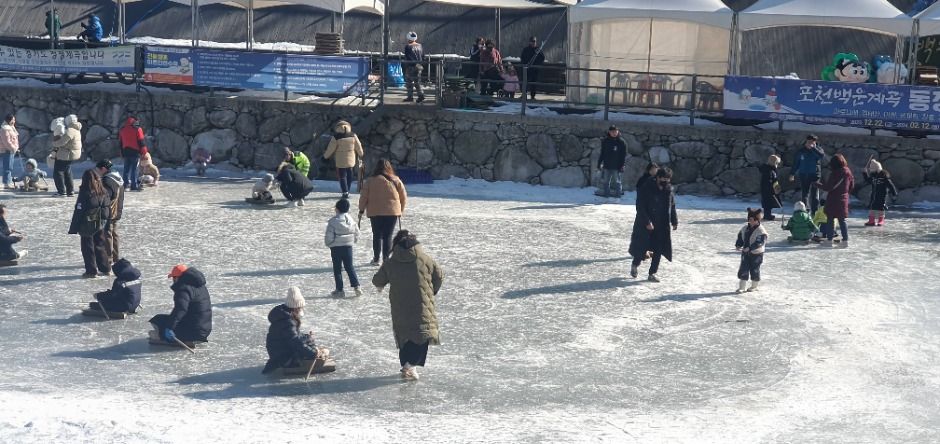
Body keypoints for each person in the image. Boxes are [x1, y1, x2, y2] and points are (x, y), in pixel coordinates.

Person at [372, 230, 443, 381]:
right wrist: (432, 291)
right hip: (422, 305)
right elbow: (439, 276)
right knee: (422, 335)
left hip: (400, 306)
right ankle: (410, 365)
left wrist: (381, 285)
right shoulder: (425, 259)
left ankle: (407, 366)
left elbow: (377, 280)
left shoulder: (391, 262)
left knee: (405, 336)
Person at [262, 287, 327, 374]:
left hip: (280, 351)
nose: (302, 309)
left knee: (309, 342)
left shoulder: (285, 315)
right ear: (296, 307)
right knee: (308, 349)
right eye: (301, 307)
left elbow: (294, 336)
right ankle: (291, 363)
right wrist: (313, 353)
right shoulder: (287, 321)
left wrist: (307, 337)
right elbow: (295, 342)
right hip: (283, 357)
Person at [628, 168, 678, 282]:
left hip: (661, 225)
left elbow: (672, 206)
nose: (666, 182)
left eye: (668, 179)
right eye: (664, 179)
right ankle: (635, 265)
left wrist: (674, 221)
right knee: (642, 247)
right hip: (646, 224)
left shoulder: (668, 190)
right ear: (658, 177)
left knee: (658, 249)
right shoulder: (647, 188)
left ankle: (652, 273)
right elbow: (640, 207)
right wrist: (647, 222)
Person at [359, 159, 407, 265]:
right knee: (388, 236)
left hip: (375, 212)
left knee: (376, 235)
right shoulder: (396, 180)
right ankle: (386, 258)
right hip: (392, 212)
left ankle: (376, 259)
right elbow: (403, 197)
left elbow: (363, 197)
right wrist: (400, 210)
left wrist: (361, 210)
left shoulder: (370, 181)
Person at [149, 264, 212, 344]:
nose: (173, 280)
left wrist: (169, 327)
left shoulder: (183, 289)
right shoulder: (199, 285)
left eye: (173, 277)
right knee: (162, 319)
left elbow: (181, 309)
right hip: (205, 329)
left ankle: (168, 338)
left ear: (177, 278)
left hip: (194, 331)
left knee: (157, 320)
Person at [68, 169, 112, 278]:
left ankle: (91, 271)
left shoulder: (85, 192)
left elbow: (79, 210)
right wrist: (107, 223)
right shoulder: (104, 191)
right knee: (100, 245)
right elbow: (108, 208)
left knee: (87, 248)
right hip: (100, 223)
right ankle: (105, 268)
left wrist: (74, 227)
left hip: (87, 224)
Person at [325, 198, 361, 297]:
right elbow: (357, 233)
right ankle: (357, 286)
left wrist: (329, 244)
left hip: (336, 248)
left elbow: (329, 236)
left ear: (337, 209)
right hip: (348, 247)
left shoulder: (333, 222)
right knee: (349, 267)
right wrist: (353, 241)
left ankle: (339, 290)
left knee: (337, 269)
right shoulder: (351, 220)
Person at [817, 154, 854, 247]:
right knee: (842, 220)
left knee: (830, 220)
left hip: (833, 200)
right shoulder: (848, 172)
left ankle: (829, 241)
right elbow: (852, 185)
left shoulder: (834, 173)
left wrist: (816, 184)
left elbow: (828, 187)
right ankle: (845, 241)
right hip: (843, 199)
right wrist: (845, 193)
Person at [323, 120, 364, 198]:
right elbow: (358, 146)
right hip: (351, 159)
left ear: (338, 128)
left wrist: (325, 156)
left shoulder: (336, 137)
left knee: (342, 176)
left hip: (340, 160)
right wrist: (361, 153)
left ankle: (345, 191)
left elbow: (330, 149)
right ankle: (347, 189)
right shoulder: (353, 135)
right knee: (349, 175)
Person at [95, 160, 124, 264]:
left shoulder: (107, 180)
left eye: (98, 170)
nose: (97, 172)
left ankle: (108, 259)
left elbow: (106, 197)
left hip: (109, 212)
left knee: (107, 235)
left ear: (103, 169)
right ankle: (116, 258)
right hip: (117, 211)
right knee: (114, 234)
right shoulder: (118, 178)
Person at [789, 135, 825, 214]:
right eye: (808, 142)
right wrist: (792, 173)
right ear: (806, 142)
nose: (810, 144)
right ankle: (805, 210)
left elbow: (821, 156)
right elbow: (796, 163)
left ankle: (814, 212)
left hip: (815, 175)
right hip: (803, 174)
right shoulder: (801, 151)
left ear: (815, 142)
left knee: (814, 194)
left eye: (812, 142)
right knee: (805, 194)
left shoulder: (818, 150)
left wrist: (813, 148)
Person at [735, 208, 768, 293]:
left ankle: (754, 286)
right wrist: (738, 245)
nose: (751, 221)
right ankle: (742, 287)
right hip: (745, 253)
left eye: (753, 220)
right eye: (749, 219)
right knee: (743, 269)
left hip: (756, 254)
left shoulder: (761, 231)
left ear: (757, 220)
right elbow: (740, 237)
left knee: (755, 269)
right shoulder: (745, 228)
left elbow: (759, 242)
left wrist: (750, 248)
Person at [50, 114, 82, 197]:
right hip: (72, 153)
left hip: (66, 154)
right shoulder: (76, 129)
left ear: (69, 121)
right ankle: (70, 191)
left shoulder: (70, 130)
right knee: (67, 172)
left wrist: (54, 143)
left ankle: (61, 191)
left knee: (58, 172)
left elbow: (62, 142)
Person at [862, 159, 898, 226]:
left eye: (872, 169)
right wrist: (865, 173)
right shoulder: (873, 177)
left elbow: (891, 185)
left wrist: (894, 193)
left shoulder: (884, 177)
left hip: (882, 196)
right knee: (872, 207)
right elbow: (868, 180)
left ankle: (881, 220)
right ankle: (871, 220)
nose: (870, 170)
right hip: (874, 196)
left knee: (881, 208)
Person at [596, 125, 627, 198]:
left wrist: (622, 165)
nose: (614, 133)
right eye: (612, 131)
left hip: (617, 166)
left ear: (618, 131)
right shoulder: (605, 141)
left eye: (615, 131)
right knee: (606, 181)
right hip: (607, 165)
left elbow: (623, 155)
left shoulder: (621, 142)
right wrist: (599, 163)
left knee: (617, 182)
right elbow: (602, 153)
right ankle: (606, 195)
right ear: (609, 132)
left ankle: (618, 196)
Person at [118, 117, 147, 191]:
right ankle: (134, 185)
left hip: (125, 152)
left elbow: (120, 143)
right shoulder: (138, 129)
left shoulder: (122, 130)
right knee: (134, 169)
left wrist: (121, 152)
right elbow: (141, 142)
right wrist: (144, 152)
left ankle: (125, 184)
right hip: (135, 152)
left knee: (126, 169)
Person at [520, 36, 545, 100]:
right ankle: (524, 95)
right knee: (525, 82)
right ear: (530, 42)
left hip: (534, 69)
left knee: (533, 83)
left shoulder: (538, 49)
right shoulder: (526, 50)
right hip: (527, 69)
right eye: (532, 41)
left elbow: (542, 58)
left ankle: (532, 96)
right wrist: (525, 64)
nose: (534, 43)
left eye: (535, 41)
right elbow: (522, 58)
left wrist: (537, 65)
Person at [402, 32, 425, 103]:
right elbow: (423, 56)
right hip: (419, 66)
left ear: (408, 38)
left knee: (409, 81)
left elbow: (408, 57)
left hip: (411, 66)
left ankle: (410, 97)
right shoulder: (420, 46)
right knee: (417, 81)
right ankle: (421, 95)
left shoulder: (408, 46)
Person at [758, 154, 782, 221]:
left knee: (768, 202)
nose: (777, 165)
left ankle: (767, 214)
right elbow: (770, 180)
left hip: (766, 188)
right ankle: (767, 215)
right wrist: (773, 187)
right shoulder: (769, 170)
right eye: (777, 163)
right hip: (768, 189)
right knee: (768, 202)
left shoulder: (768, 169)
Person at [0, 114, 19, 190]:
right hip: (7, 150)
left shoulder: (11, 128)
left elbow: (14, 139)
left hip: (11, 150)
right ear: (8, 120)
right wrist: (13, 148)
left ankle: (8, 182)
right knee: (7, 167)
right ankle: (6, 183)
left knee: (10, 167)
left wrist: (15, 147)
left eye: (14, 120)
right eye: (13, 120)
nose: (14, 121)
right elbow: (6, 142)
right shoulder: (5, 129)